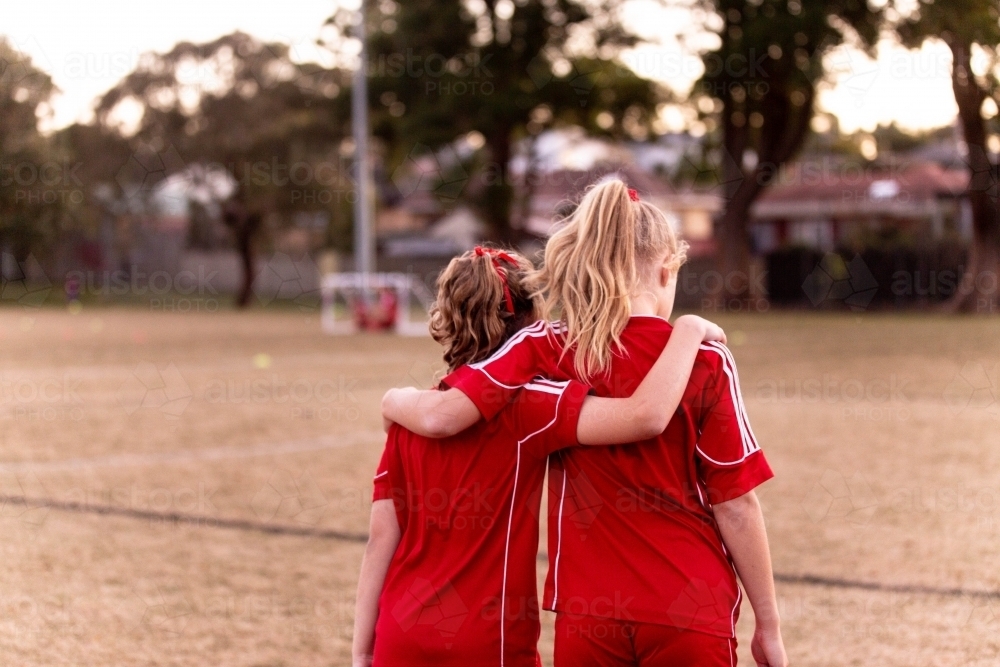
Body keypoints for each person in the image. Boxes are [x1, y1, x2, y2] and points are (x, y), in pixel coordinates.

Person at [382, 180, 787, 667]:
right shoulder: (703, 358)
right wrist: (769, 624)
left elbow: (446, 411)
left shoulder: (546, 347)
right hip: (689, 605)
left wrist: (392, 401)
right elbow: (737, 503)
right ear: (666, 270)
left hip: (587, 613)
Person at [353, 245, 727, 667]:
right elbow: (641, 415)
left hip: (397, 635)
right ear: (531, 318)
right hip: (487, 639)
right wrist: (687, 332)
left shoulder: (406, 419)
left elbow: (380, 541)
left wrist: (363, 650)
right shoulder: (531, 407)